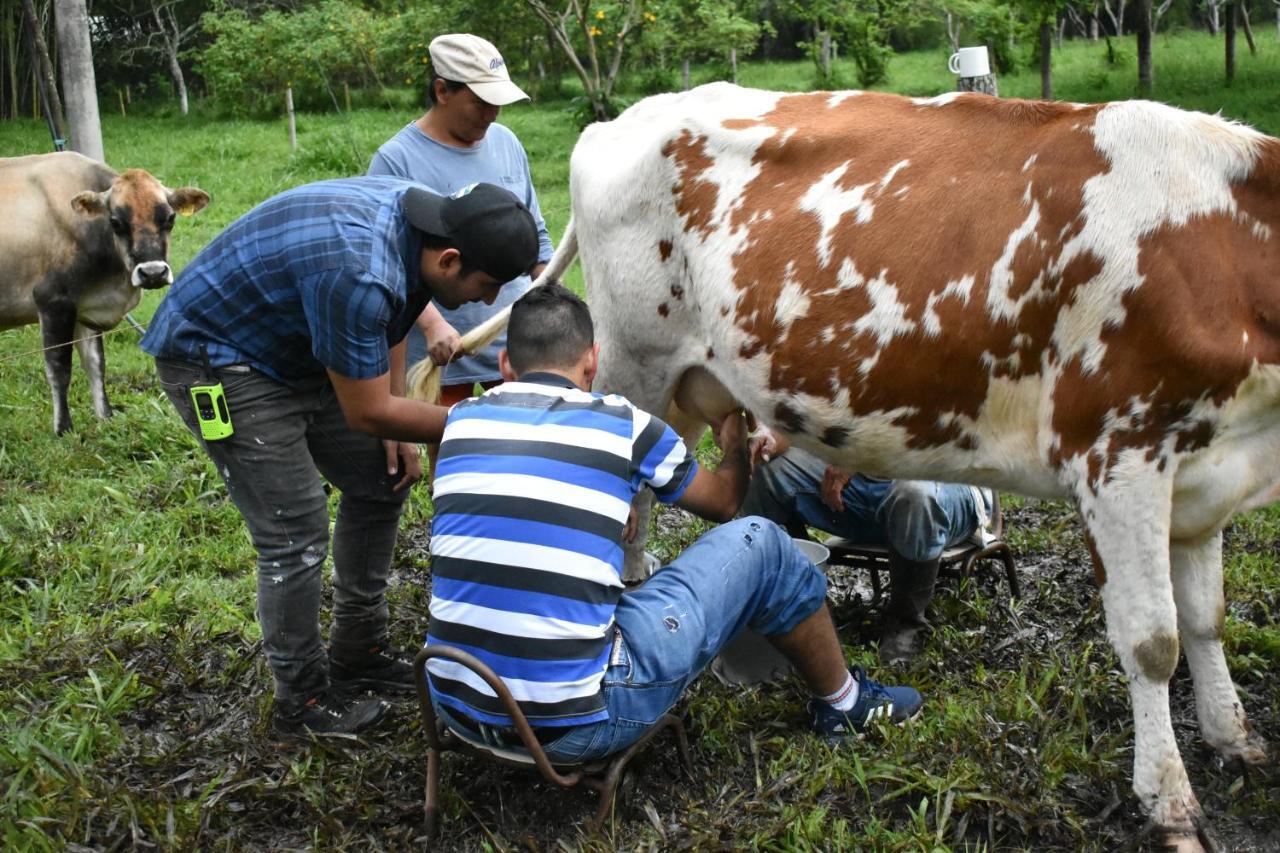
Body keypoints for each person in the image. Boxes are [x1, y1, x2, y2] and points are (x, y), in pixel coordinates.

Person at [423, 284, 922, 760]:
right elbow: (725, 503)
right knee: (763, 541)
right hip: (576, 724)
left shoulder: (462, 420)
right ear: (593, 360)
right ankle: (844, 704)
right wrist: (731, 444)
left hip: (457, 706)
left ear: (506, 364)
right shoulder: (620, 423)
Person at [141, 179, 539, 736]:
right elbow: (368, 410)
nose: (488, 301)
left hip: (298, 343)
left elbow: (395, 315)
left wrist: (399, 411)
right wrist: (490, 425)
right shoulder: (359, 270)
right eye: (488, 284)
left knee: (385, 474)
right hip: (219, 356)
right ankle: (300, 701)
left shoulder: (422, 226)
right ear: (450, 258)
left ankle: (357, 650)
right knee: (294, 530)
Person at [368, 33, 554, 430]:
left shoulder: (506, 144)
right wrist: (433, 324)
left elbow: (535, 233)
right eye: (481, 102)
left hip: (509, 341)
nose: (492, 114)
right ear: (442, 91)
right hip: (441, 352)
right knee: (450, 450)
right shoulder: (397, 159)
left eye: (497, 104)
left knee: (515, 447)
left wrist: (553, 295)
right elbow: (387, 264)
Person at [742, 436, 994, 665]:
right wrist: (771, 437)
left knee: (914, 493)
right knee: (766, 472)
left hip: (944, 482)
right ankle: (797, 609)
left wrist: (858, 458)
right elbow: (809, 417)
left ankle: (906, 623)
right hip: (864, 485)